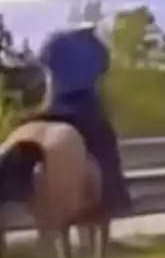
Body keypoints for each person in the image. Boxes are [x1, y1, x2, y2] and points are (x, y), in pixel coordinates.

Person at [30, 23, 131, 215]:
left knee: (24, 130)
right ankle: (114, 198)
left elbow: (43, 62)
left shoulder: (53, 41)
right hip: (84, 105)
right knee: (105, 143)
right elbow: (104, 66)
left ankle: (14, 186)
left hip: (53, 105)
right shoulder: (93, 45)